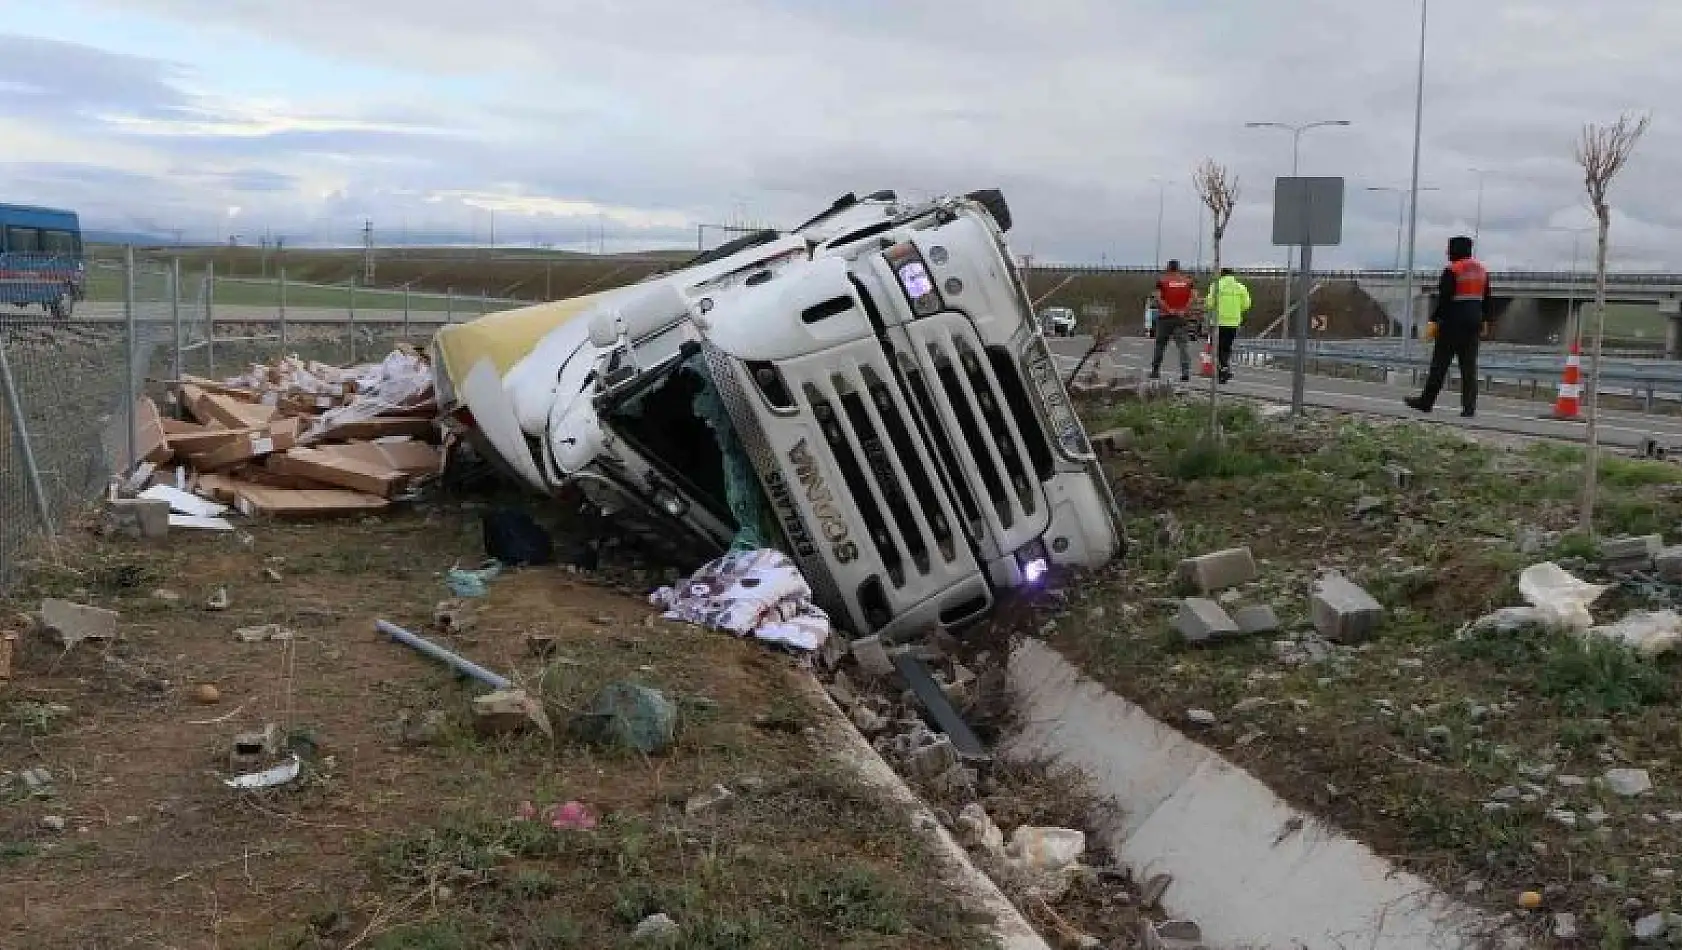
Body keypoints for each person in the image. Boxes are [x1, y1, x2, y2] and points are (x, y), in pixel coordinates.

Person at [1406, 235, 1494, 418]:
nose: (1447, 252)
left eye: (1449, 249)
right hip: (1473, 324)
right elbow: (1486, 300)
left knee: (1439, 365)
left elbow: (1444, 300)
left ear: (1456, 250)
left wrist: (1433, 320)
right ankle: (1469, 408)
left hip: (1452, 325)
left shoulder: (1453, 270)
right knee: (1469, 368)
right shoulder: (1482, 271)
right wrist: (1485, 320)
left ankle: (1426, 402)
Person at [1149, 259, 1195, 381]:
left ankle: (1155, 371)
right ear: (1179, 268)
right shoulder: (1188, 282)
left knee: (1160, 345)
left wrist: (1169, 309)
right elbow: (1192, 298)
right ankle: (1185, 373)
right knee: (1183, 346)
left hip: (1165, 318)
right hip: (1181, 318)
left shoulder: (1162, 281)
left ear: (1168, 268)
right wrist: (1184, 310)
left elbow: (1158, 298)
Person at [1205, 268, 1252, 383]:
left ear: (1222, 275)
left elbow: (1210, 304)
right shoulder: (1240, 287)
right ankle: (1224, 369)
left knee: (1216, 347)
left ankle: (1224, 369)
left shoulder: (1216, 286)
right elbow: (1246, 305)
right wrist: (1236, 309)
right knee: (1226, 347)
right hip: (1233, 323)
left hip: (1218, 322)